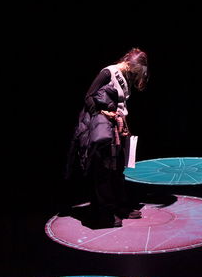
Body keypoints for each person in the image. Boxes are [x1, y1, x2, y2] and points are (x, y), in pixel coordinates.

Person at [64, 48, 149, 228]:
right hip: (104, 128)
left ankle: (120, 207)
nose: (134, 75)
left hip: (117, 127)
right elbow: (88, 96)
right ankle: (105, 213)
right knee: (104, 170)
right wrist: (102, 113)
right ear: (130, 64)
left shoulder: (126, 77)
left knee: (117, 170)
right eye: (135, 71)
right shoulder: (108, 72)